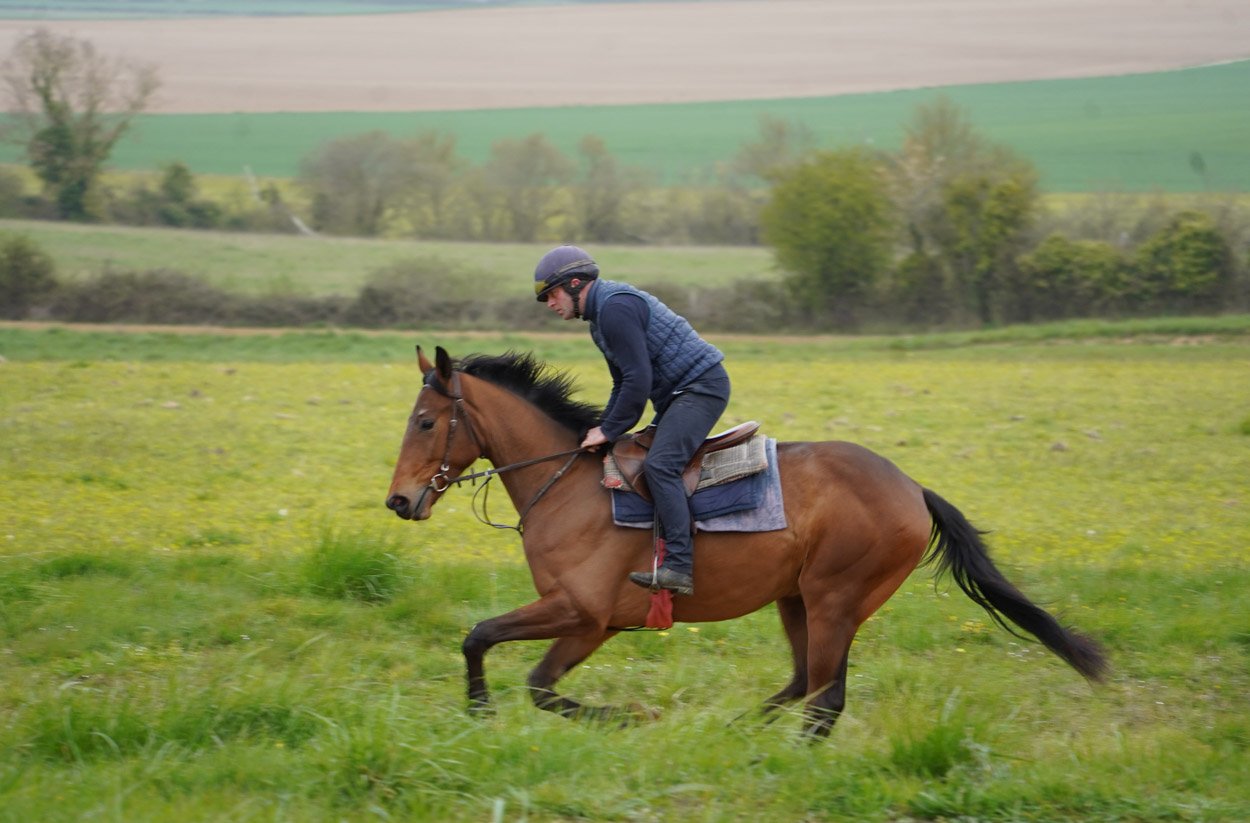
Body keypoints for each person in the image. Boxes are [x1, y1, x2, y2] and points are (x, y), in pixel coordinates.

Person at [533, 244, 730, 596]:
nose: (550, 303)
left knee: (660, 466)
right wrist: (602, 427)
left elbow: (638, 381)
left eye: (552, 293)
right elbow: (622, 382)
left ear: (575, 284)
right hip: (677, 396)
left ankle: (679, 567)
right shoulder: (599, 321)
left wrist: (609, 429)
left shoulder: (615, 309)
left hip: (701, 389)